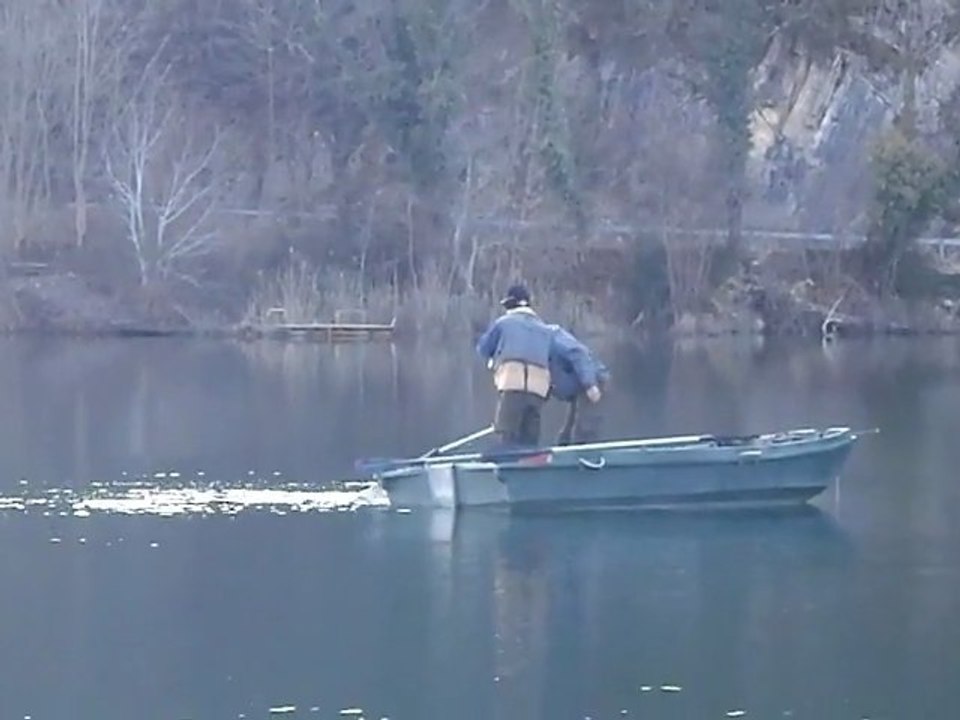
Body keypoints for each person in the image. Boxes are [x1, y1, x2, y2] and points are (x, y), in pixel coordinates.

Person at [475, 283, 555, 448]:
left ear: (510, 304)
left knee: (507, 434)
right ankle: (529, 469)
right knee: (530, 440)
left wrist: (495, 357)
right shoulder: (546, 330)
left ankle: (507, 470)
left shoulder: (503, 323)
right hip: (538, 391)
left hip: (512, 386)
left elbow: (483, 349)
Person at [548, 324, 609, 446]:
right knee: (567, 433)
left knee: (584, 429)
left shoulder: (552, 336)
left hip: (592, 382)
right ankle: (564, 456)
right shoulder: (534, 344)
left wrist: (590, 385)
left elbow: (578, 354)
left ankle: (587, 459)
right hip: (576, 389)